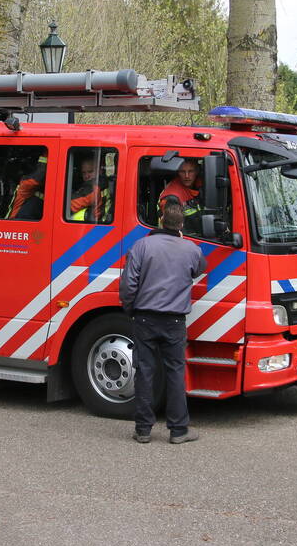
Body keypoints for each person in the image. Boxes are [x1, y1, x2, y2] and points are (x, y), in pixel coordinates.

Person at [119, 201, 206, 444]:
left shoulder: (142, 246)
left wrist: (130, 309)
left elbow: (128, 284)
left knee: (144, 371)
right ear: (181, 225)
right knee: (175, 372)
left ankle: (143, 430)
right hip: (174, 321)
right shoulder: (191, 249)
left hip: (145, 317)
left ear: (160, 221)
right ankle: (178, 430)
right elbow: (199, 269)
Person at [158, 159, 202, 229]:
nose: (187, 176)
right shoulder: (172, 197)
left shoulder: (202, 184)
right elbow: (173, 229)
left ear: (197, 171)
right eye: (182, 171)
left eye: (191, 171)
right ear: (178, 172)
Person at [68, 157, 110, 222]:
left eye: (90, 172)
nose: (87, 176)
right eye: (84, 173)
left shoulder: (93, 188)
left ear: (100, 171)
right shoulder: (103, 182)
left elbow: (70, 205)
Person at [6, 156, 47, 220]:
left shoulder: (15, 186)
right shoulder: (24, 185)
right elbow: (39, 176)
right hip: (18, 220)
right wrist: (45, 156)